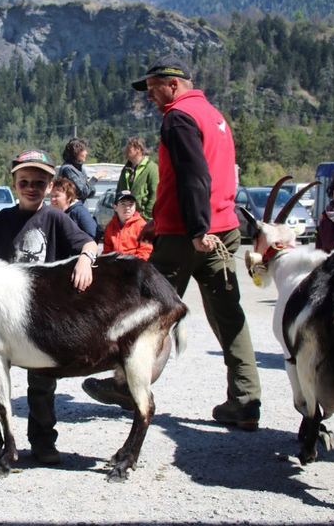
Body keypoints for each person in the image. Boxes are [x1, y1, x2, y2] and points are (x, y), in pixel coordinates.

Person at [84, 55, 262, 431]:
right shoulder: (213, 115)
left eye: (153, 88)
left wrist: (194, 230)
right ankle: (245, 400)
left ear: (173, 84)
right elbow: (210, 177)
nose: (150, 96)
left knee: (147, 311)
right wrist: (159, 225)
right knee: (229, 316)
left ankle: (126, 386)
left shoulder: (178, 117)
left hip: (189, 237)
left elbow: (194, 178)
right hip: (222, 230)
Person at [0, 149, 97, 465]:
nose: (32, 187)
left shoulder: (56, 218)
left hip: (44, 320)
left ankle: (43, 443)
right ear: (14, 184)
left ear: (49, 186)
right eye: (25, 182)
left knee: (42, 385)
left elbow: (89, 242)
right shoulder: (2, 219)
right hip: (3, 320)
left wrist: (86, 259)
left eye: (39, 182)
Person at [115, 136, 159, 220]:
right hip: (126, 219)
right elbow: (118, 192)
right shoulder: (125, 169)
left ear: (138, 149)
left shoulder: (151, 168)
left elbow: (155, 194)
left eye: (129, 149)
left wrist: (146, 216)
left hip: (143, 219)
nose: (126, 151)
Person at [102, 190, 152, 260]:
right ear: (115, 207)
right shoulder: (110, 226)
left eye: (131, 204)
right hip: (115, 265)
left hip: (135, 265)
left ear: (135, 207)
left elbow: (146, 251)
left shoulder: (142, 226)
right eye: (123, 204)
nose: (127, 207)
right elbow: (107, 252)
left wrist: (131, 264)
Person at [57, 137, 103, 203]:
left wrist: (88, 187)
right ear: (76, 152)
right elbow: (83, 192)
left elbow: (91, 192)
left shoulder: (80, 169)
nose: (86, 153)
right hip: (72, 210)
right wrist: (95, 178)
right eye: (84, 150)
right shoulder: (68, 169)